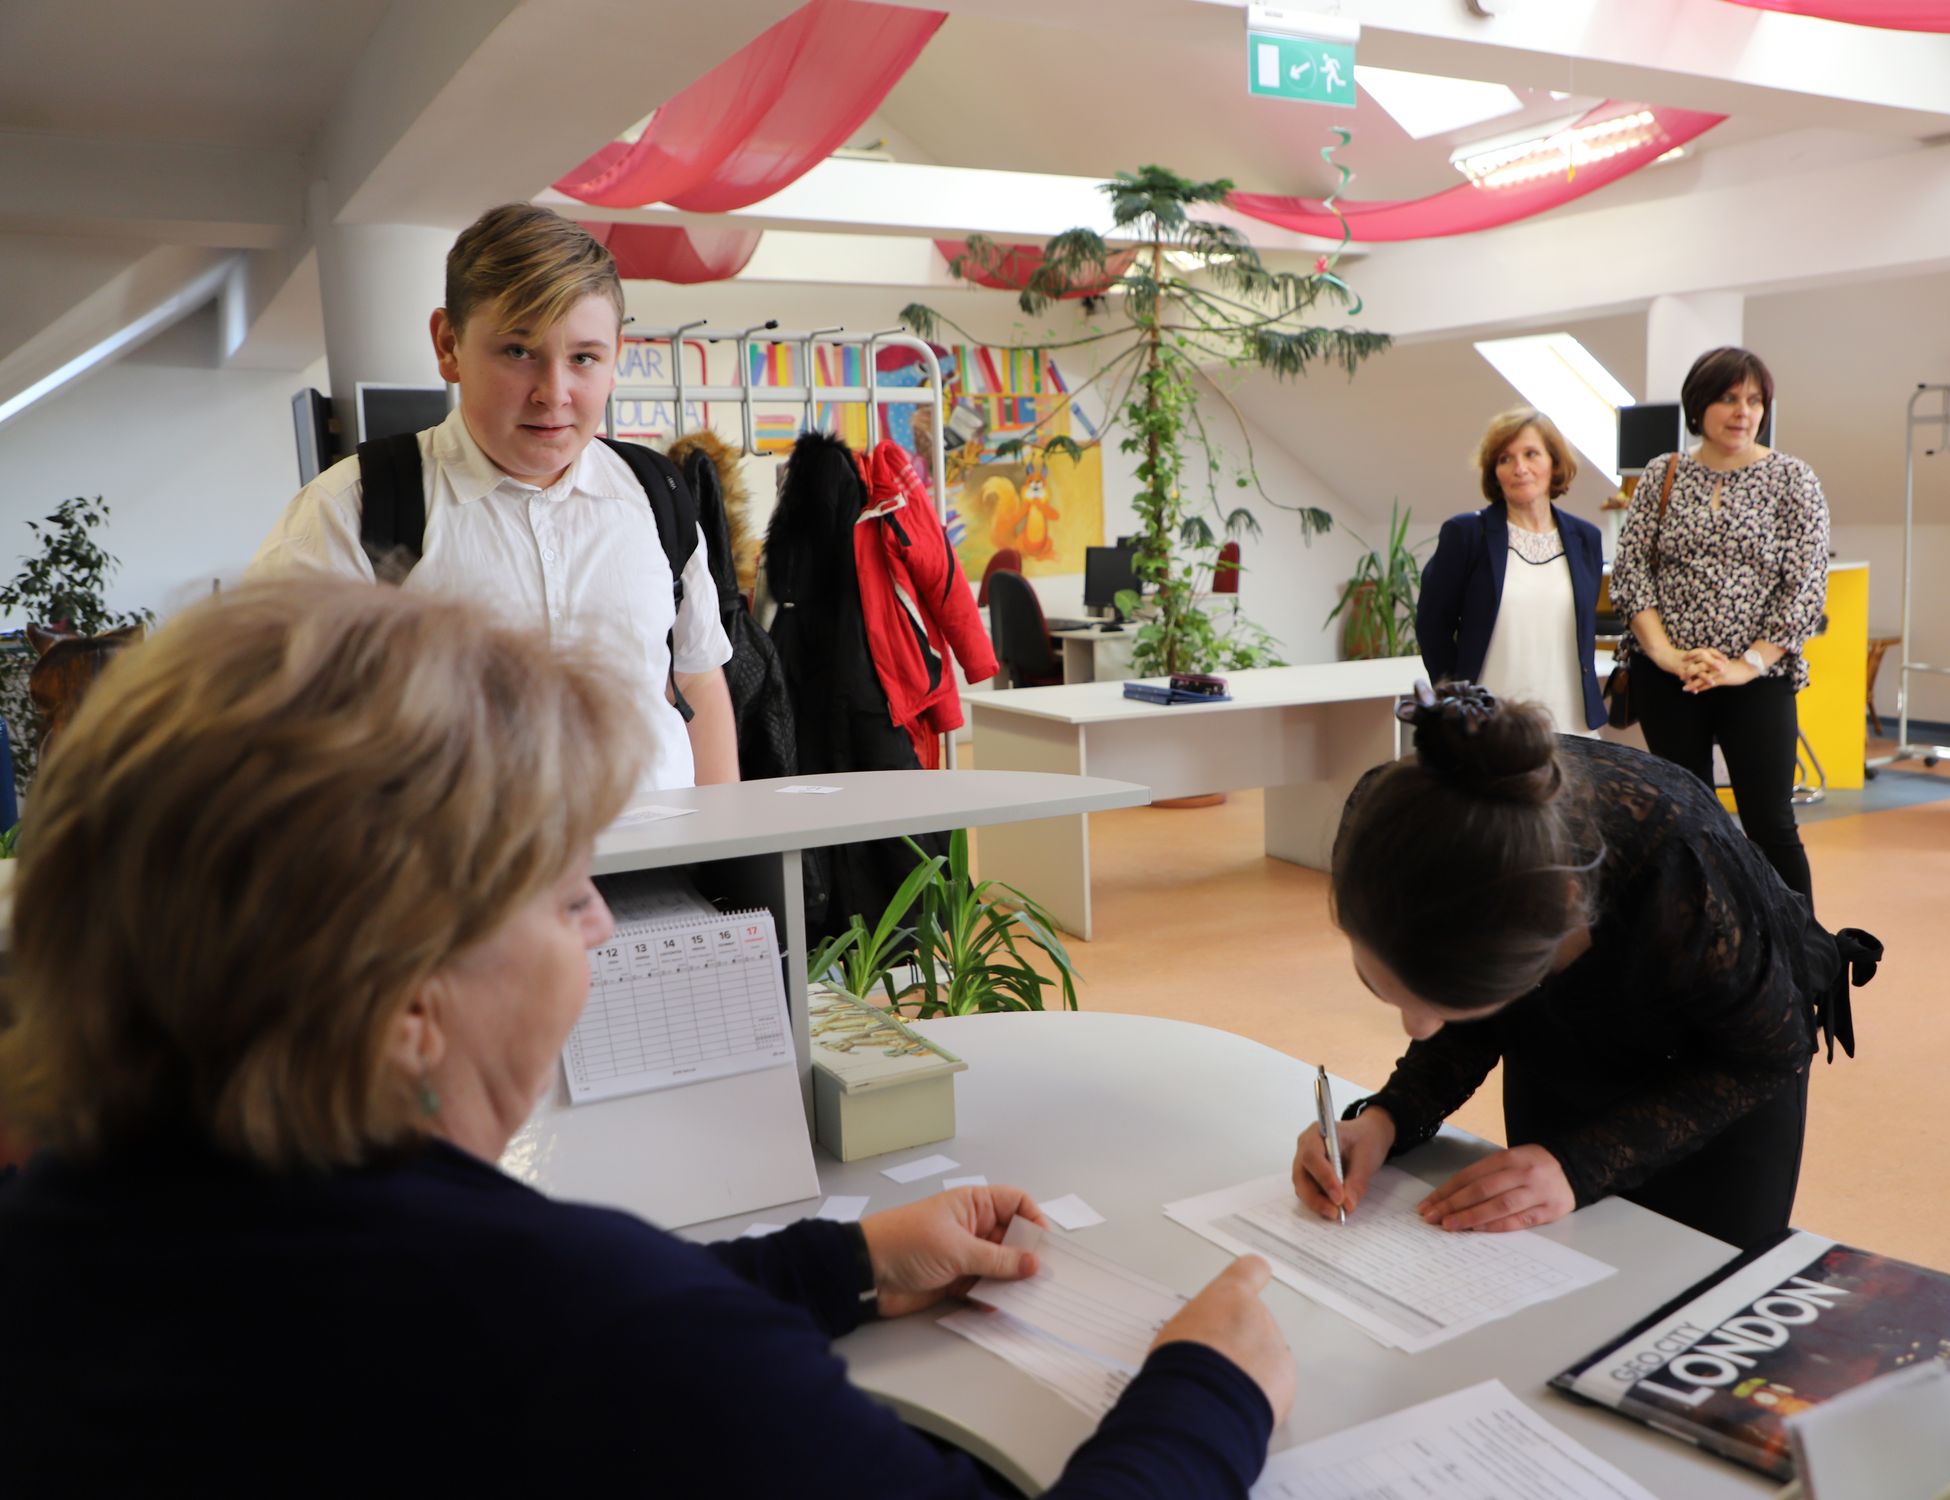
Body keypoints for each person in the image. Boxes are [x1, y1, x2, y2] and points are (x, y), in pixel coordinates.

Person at [0, 580, 1292, 1493]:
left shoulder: (68, 1238)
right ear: (404, 999)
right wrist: (1206, 1392)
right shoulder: (598, 1344)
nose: (604, 925)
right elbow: (582, 1338)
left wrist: (838, 1264)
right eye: (565, 891)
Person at [1289, 683, 1878, 1249]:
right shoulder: (1389, 827)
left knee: (1701, 1290)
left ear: (1565, 915)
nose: (1417, 1028)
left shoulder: (1681, 870)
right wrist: (1388, 1117)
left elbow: (1768, 1054)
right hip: (1564, 1050)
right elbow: (1466, 996)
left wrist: (1579, 1164)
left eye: (1448, 1002)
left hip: (1725, 1077)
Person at [248, 202, 737, 792]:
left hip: (665, 848)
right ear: (448, 344)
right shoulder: (346, 512)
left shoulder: (656, 493)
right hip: (448, 854)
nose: (553, 393)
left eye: (584, 358)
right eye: (518, 352)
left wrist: (729, 839)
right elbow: (271, 734)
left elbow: (697, 677)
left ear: (616, 357)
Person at [1608, 346, 1829, 900]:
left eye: (1754, 400)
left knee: (1771, 824)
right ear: (1699, 404)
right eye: (1729, 398)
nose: (1743, 412)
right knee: (1686, 822)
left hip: (1757, 679)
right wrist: (1666, 655)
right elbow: (1632, 572)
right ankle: (1708, 938)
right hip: (1669, 677)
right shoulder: (1662, 473)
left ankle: (1799, 945)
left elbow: (1804, 588)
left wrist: (1744, 665)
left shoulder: (1792, 479)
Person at [1417, 408, 1606, 735]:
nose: (1519, 468)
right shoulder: (1466, 534)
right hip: (1490, 724)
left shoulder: (1586, 538)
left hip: (1573, 721)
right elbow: (1432, 625)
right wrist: (1456, 700)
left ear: (1554, 462)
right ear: (1494, 472)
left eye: (1531, 454)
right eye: (1505, 459)